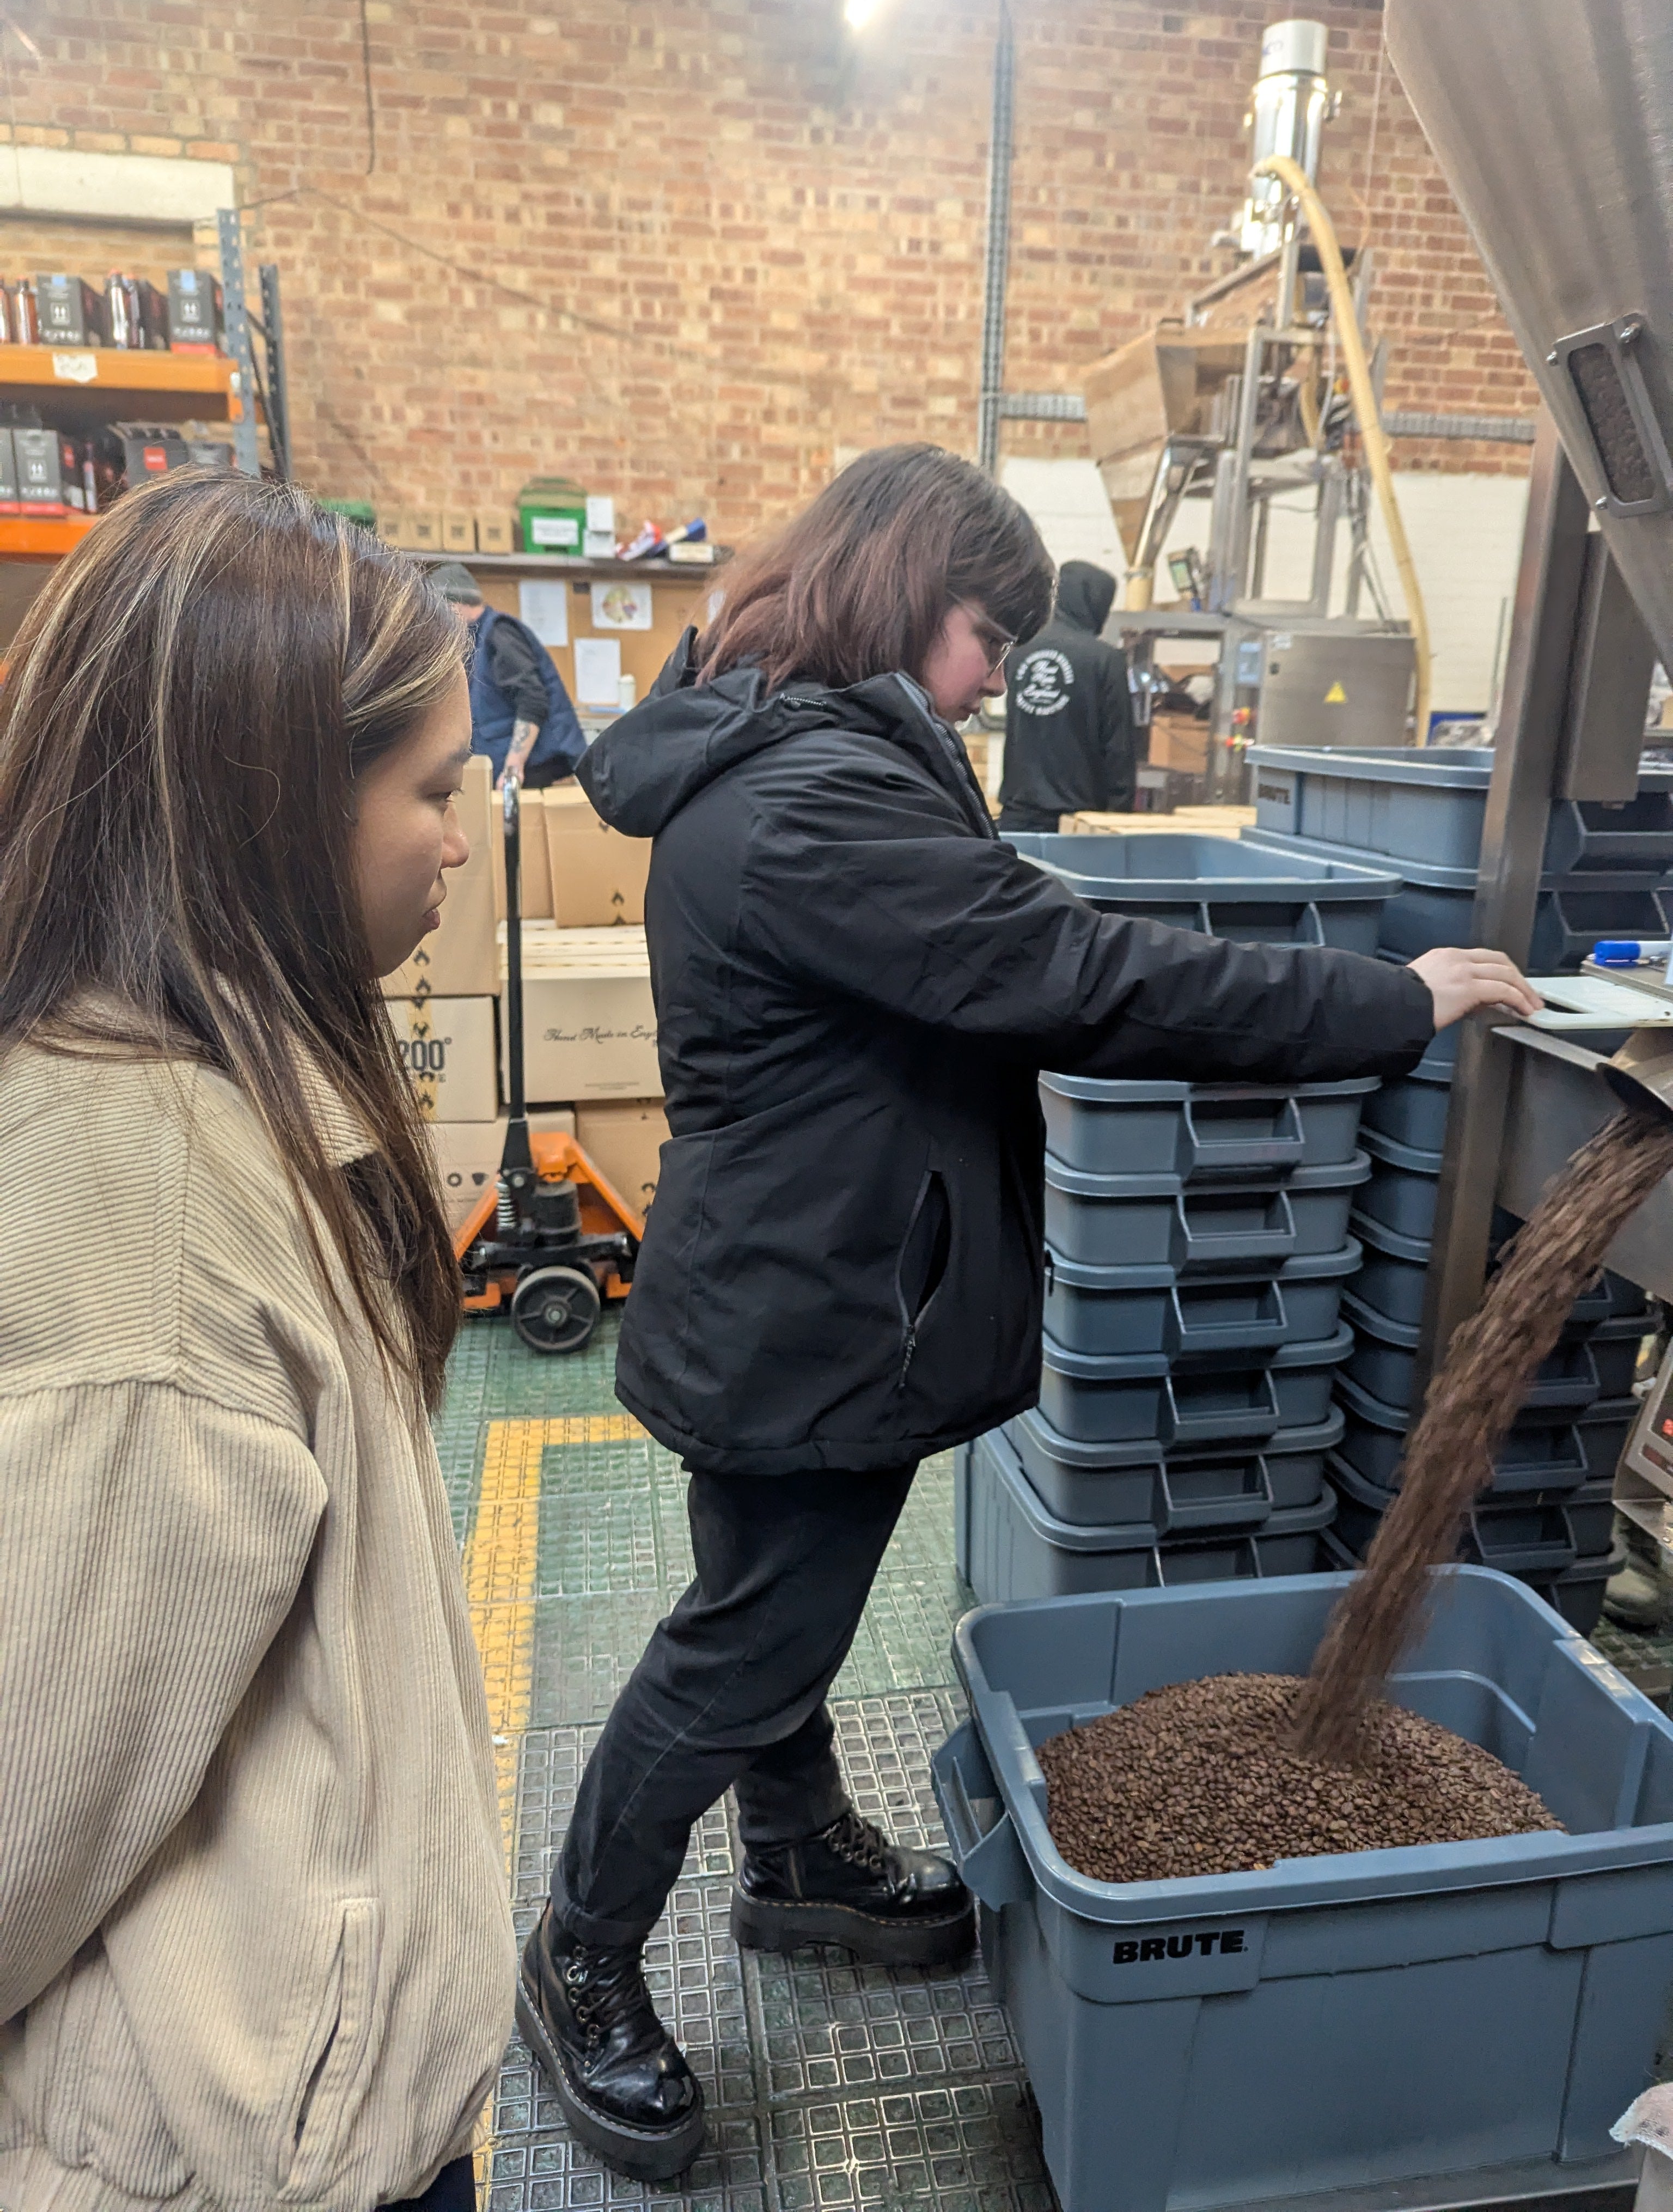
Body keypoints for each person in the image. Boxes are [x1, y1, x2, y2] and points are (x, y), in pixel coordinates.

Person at [510, 441, 1542, 2182]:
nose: (1002, 671)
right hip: (805, 1302)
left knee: (777, 1597)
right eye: (987, 630)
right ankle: (582, 1950)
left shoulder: (781, 740)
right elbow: (1077, 975)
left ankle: (796, 1856)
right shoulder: (813, 799)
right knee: (748, 1631)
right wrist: (1385, 997)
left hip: (805, 1277)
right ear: (904, 596)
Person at [0, 471, 515, 2212]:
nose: (460, 838)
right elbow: (25, 1821)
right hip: (237, 2161)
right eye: (430, 789)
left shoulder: (232, 1093)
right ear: (272, 806)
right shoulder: (146, 1228)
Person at [998, 556, 1136, 832]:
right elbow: (1119, 746)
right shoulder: (1105, 660)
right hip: (1078, 824)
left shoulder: (1019, 651)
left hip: (1018, 814)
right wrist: (1120, 816)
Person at [429, 559, 586, 787]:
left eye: (438, 612)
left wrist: (514, 768)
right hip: (511, 770)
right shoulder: (474, 639)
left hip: (533, 771)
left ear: (454, 603)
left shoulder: (500, 634)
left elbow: (532, 700)